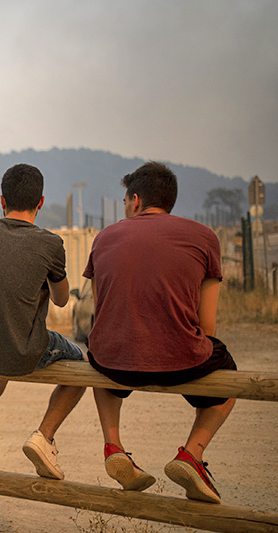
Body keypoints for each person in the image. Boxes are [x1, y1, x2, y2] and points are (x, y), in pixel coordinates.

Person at [83, 161, 236, 504]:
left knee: (98, 355)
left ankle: (113, 445)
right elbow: (207, 325)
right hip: (182, 361)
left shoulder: (105, 236)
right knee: (229, 379)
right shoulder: (204, 237)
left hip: (113, 362)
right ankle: (191, 456)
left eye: (125, 203)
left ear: (135, 200)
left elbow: (101, 314)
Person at [0, 163, 86, 479]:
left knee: (2, 341)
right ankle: (44, 436)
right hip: (23, 349)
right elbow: (61, 300)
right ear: (40, 202)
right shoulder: (50, 243)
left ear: (2, 200)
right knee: (79, 365)